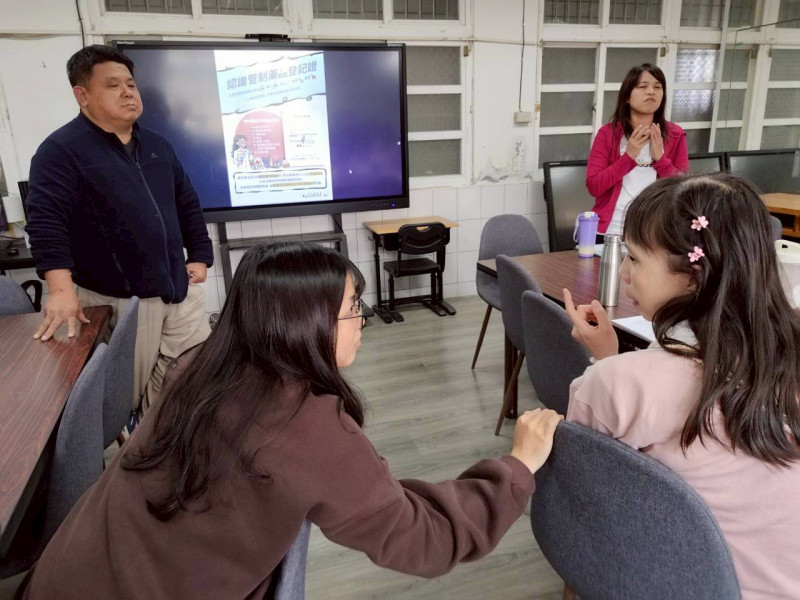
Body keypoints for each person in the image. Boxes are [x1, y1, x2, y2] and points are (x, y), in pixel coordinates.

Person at [19, 241, 563, 599]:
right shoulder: (306, 428)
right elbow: (429, 539)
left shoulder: (200, 365)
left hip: (65, 573)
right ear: (306, 324)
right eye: (353, 308)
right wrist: (516, 467)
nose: (362, 321)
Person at [563, 173, 800, 598]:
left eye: (635, 258)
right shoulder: (785, 356)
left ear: (693, 276)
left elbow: (580, 487)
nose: (624, 273)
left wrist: (608, 368)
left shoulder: (618, 384)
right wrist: (612, 358)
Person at [25, 45, 213, 412]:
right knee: (127, 396)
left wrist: (201, 255)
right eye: (113, 85)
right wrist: (60, 290)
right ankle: (144, 437)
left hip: (179, 288)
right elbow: (46, 221)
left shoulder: (157, 145)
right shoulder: (61, 150)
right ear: (82, 96)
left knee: (192, 377)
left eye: (130, 84)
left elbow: (186, 202)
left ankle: (164, 433)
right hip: (126, 300)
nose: (128, 92)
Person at [586, 63, 689, 237]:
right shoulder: (608, 134)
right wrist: (628, 157)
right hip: (611, 230)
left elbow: (684, 190)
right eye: (642, 86)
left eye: (657, 87)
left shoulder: (675, 134)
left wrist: (661, 160)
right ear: (627, 96)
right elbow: (594, 187)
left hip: (655, 231)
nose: (651, 92)